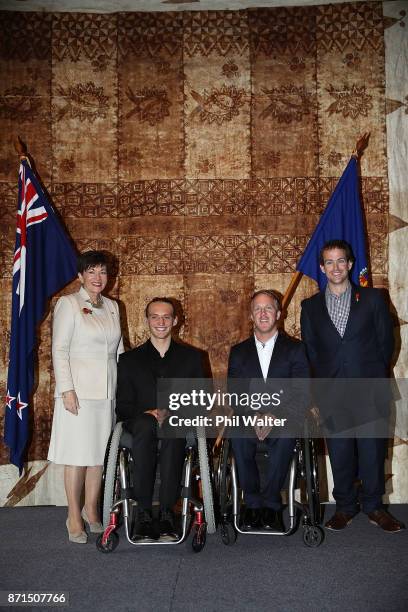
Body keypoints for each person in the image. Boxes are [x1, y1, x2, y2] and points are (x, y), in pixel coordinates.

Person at [300, 239, 405, 533]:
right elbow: (311, 352)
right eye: (329, 262)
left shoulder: (373, 299)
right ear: (322, 267)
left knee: (372, 453)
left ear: (349, 264)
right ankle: (345, 507)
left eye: (340, 261)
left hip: (370, 389)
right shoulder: (309, 306)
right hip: (332, 393)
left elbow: (387, 344)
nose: (335, 267)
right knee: (341, 452)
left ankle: (375, 508)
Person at [48, 251, 124, 544]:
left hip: (107, 392)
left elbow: (118, 350)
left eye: (102, 272)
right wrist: (66, 389)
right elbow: (59, 350)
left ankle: (92, 511)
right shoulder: (68, 304)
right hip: (77, 393)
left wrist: (125, 387)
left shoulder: (114, 307)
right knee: (77, 457)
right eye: (91, 272)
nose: (97, 278)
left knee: (98, 457)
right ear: (80, 276)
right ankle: (74, 516)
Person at [116, 297, 205, 542]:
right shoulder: (129, 360)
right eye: (155, 316)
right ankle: (143, 513)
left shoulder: (192, 358)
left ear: (176, 321)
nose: (161, 321)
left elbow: (200, 402)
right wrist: (147, 413)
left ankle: (167, 512)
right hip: (140, 422)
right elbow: (123, 406)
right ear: (147, 321)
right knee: (146, 425)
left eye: (166, 316)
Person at [228, 290, 309, 531]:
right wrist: (253, 416)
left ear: (279, 314)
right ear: (251, 315)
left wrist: (274, 416)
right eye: (258, 309)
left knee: (285, 437)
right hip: (248, 417)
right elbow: (235, 393)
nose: (263, 313)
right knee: (239, 437)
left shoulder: (296, 349)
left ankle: (272, 505)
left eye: (269, 308)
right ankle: (252, 504)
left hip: (284, 418)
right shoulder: (239, 351)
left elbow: (302, 392)